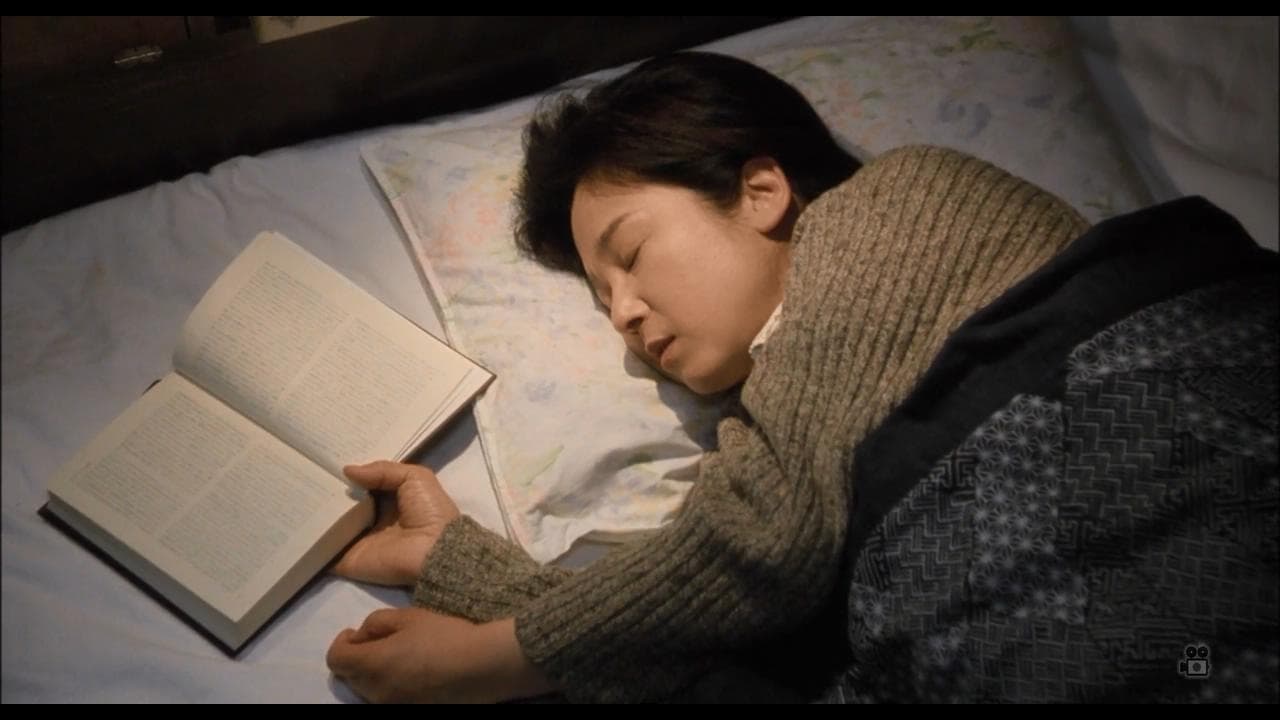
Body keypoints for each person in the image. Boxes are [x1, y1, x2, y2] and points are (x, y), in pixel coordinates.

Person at [325, 52, 1279, 703]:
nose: (621, 313)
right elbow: (704, 649)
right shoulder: (804, 442)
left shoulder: (899, 202)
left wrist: (491, 660)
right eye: (602, 294)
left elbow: (762, 541)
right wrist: (456, 564)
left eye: (631, 255)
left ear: (761, 189)